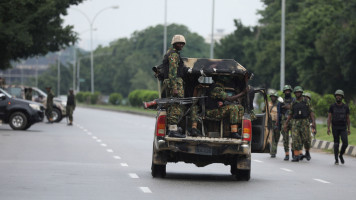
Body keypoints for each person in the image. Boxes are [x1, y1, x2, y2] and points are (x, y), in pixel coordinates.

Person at [163, 34, 189, 138]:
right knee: (176, 106)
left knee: (173, 106)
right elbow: (172, 72)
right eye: (179, 43)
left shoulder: (171, 53)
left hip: (173, 82)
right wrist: (174, 87)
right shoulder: (173, 55)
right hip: (175, 83)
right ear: (174, 44)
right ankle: (173, 130)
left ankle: (172, 128)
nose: (181, 45)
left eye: (183, 43)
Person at [284, 86, 316, 162]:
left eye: (299, 92)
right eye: (296, 92)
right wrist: (286, 123)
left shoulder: (306, 101)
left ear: (301, 93)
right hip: (295, 122)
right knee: (295, 139)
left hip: (305, 122)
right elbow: (290, 114)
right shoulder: (293, 103)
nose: (298, 93)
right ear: (294, 93)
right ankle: (296, 156)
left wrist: (313, 122)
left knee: (306, 139)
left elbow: (311, 112)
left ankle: (307, 152)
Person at [327, 89, 351, 165]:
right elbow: (329, 117)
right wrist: (328, 128)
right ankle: (336, 159)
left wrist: (349, 129)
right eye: (337, 95)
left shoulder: (346, 107)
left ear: (342, 97)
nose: (338, 97)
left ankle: (341, 155)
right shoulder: (332, 106)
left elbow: (348, 118)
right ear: (335, 97)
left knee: (345, 143)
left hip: (343, 127)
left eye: (339, 96)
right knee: (336, 144)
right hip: (335, 127)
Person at [278, 85, 294, 160]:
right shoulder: (281, 101)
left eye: (288, 91)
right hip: (284, 120)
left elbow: (295, 108)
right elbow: (279, 113)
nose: (287, 92)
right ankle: (287, 154)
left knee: (295, 138)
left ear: (290, 91)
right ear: (284, 92)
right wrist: (278, 124)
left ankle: (294, 152)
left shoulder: (294, 100)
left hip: (293, 120)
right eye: (286, 91)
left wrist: (288, 107)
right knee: (285, 138)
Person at [266, 92, 280, 158]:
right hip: (270, 122)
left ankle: (274, 150)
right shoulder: (268, 104)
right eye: (272, 96)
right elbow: (265, 112)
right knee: (272, 137)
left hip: (277, 122)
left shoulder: (279, 104)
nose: (273, 98)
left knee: (276, 137)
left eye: (274, 96)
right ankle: (273, 152)